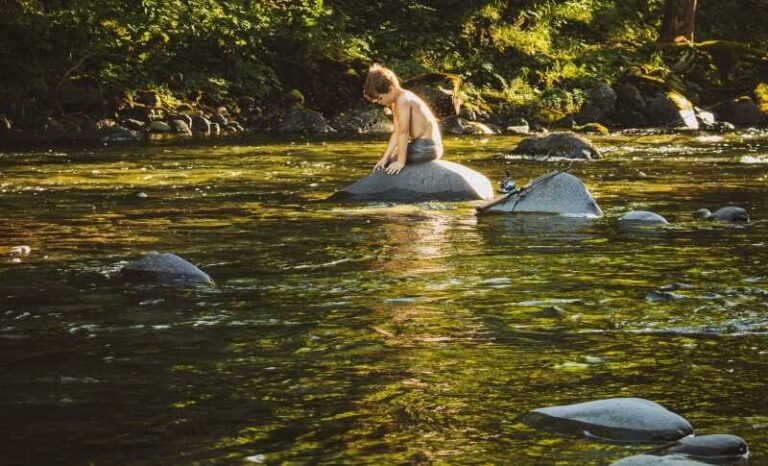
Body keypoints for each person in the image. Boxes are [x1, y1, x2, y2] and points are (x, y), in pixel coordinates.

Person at [363, 64, 443, 175]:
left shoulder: (403, 100)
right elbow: (396, 132)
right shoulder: (396, 103)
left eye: (380, 98)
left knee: (394, 162)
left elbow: (404, 132)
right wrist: (385, 158)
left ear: (391, 88)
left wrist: (400, 162)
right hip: (420, 144)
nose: (380, 103)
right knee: (387, 162)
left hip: (427, 146)